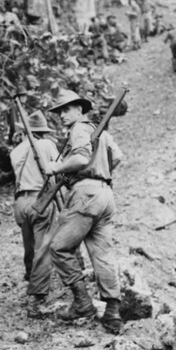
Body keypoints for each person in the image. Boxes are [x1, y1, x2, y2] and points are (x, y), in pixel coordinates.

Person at [43, 89, 124, 334]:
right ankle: (112, 313)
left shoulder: (79, 129)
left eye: (66, 109)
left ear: (80, 109)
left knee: (58, 247)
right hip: (105, 194)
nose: (62, 115)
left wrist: (56, 167)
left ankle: (83, 303)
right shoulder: (100, 132)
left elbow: (79, 159)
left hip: (86, 193)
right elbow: (118, 157)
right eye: (59, 112)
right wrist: (100, 171)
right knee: (102, 253)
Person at [9, 111, 60, 319]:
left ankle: (31, 273)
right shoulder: (47, 146)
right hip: (41, 199)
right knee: (43, 246)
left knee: (28, 242)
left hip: (21, 202)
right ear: (43, 132)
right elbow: (58, 169)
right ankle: (38, 294)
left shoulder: (16, 150)